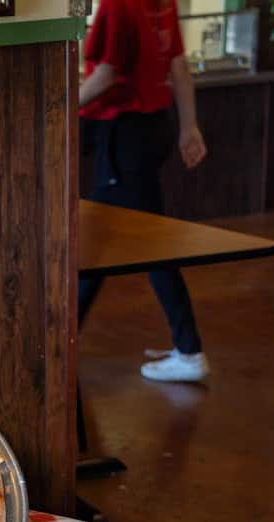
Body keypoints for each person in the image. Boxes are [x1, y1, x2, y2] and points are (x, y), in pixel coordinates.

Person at [78, 0, 209, 382]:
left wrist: (63, 106)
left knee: (125, 245)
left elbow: (107, 74)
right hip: (153, 127)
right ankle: (63, 343)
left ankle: (189, 350)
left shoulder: (119, 5)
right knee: (106, 244)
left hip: (125, 134)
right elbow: (178, 69)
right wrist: (188, 127)